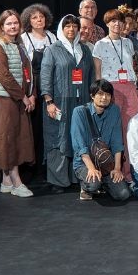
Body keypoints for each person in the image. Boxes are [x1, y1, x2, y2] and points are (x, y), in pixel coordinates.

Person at [41, 13, 95, 189]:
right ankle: (58, 181)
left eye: (74, 26)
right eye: (67, 26)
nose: (71, 29)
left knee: (78, 136)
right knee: (59, 137)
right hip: (59, 102)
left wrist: (92, 100)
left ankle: (76, 176)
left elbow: (91, 77)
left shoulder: (84, 49)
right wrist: (49, 102)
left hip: (82, 102)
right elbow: (45, 77)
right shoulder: (52, 49)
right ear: (61, 29)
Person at [0, 9, 36, 197]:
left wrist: (32, 94)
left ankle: (6, 181)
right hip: (5, 100)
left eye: (15, 23)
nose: (13, 26)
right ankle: (16, 182)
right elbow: (5, 77)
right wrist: (23, 96)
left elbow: (28, 72)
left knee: (17, 137)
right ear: (1, 26)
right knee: (8, 138)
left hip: (19, 98)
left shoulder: (19, 45)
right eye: (8, 23)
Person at [92, 8, 138, 180]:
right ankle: (111, 170)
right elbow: (98, 73)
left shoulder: (128, 43)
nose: (117, 24)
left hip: (129, 87)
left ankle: (129, 172)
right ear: (107, 24)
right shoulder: (100, 44)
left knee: (132, 129)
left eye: (120, 21)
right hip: (111, 88)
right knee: (113, 128)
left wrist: (136, 88)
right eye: (113, 21)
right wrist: (101, 93)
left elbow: (132, 67)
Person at [70, 79, 129, 202]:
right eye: (100, 94)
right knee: (93, 183)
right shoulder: (79, 112)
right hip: (85, 163)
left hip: (106, 163)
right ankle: (86, 187)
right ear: (92, 96)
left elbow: (117, 142)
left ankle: (104, 183)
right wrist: (91, 168)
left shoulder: (114, 111)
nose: (104, 97)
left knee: (123, 194)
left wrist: (117, 168)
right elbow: (80, 146)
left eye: (108, 94)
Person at [20, 3, 56, 165]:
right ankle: (33, 162)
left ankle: (48, 160)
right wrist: (29, 91)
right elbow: (23, 65)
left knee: (50, 122)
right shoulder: (24, 38)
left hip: (51, 82)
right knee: (35, 124)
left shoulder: (51, 37)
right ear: (28, 21)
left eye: (41, 16)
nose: (39, 20)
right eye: (34, 17)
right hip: (33, 83)